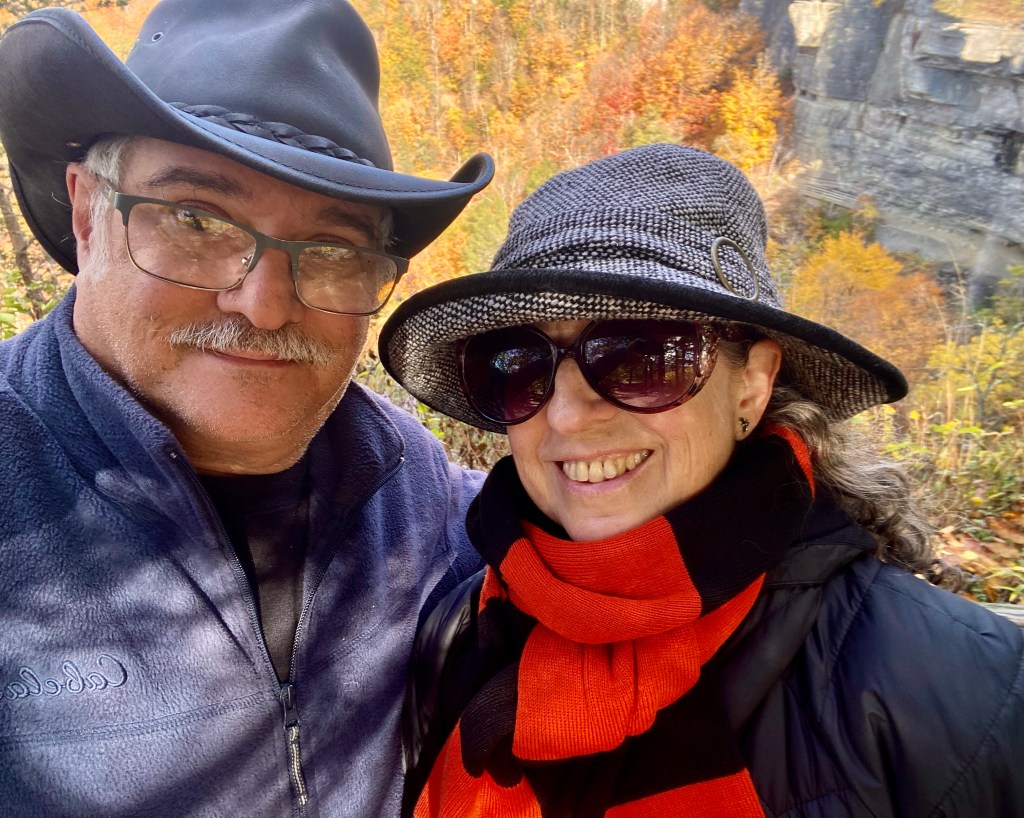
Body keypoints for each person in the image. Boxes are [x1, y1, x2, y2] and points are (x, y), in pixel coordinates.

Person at [380, 144, 1024, 817]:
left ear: (751, 386)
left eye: (640, 356)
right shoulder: (460, 635)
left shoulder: (958, 701)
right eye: (517, 365)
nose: (566, 416)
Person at [0, 2, 494, 816]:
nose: (263, 305)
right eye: (197, 220)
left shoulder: (415, 496)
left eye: (332, 248)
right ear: (87, 212)